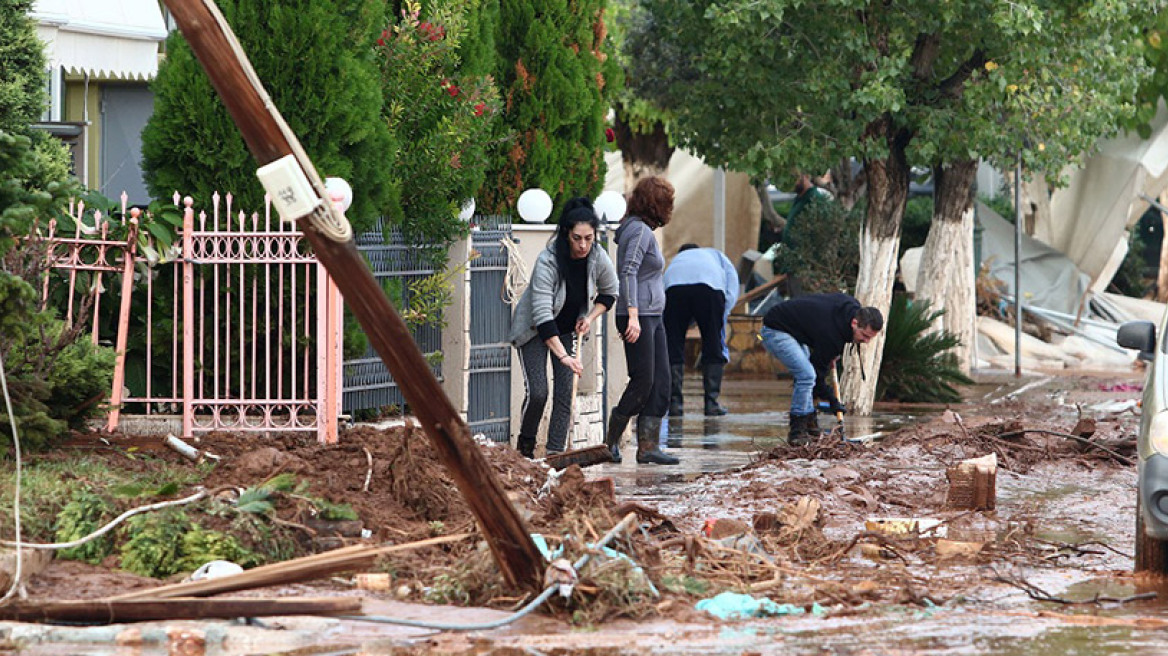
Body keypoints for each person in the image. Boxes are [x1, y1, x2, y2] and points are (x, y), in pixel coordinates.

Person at [508, 198, 618, 458]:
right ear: (567, 234)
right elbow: (543, 317)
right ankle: (525, 449)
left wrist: (589, 318)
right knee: (538, 393)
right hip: (536, 330)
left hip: (570, 330)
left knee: (565, 393)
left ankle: (556, 454)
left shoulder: (598, 256)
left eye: (588, 238)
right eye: (577, 238)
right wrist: (563, 356)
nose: (583, 245)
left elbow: (610, 293)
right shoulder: (548, 261)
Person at [606, 176, 680, 465]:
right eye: (667, 202)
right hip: (637, 316)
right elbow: (627, 272)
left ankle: (648, 446)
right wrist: (633, 315)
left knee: (661, 382)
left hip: (653, 316)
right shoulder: (638, 231)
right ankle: (609, 442)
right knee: (642, 382)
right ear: (655, 204)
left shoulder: (643, 230)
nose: (670, 208)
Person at [759, 293, 883, 445]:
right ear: (854, 323)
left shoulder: (851, 308)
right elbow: (818, 377)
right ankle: (797, 431)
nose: (866, 341)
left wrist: (829, 353)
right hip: (776, 329)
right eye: (864, 336)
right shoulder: (831, 335)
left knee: (807, 375)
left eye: (870, 338)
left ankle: (810, 425)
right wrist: (832, 400)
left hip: (796, 330)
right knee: (806, 375)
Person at [662, 244, 740, 416]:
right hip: (709, 288)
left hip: (675, 290)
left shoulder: (676, 261)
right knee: (713, 343)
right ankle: (711, 404)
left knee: (673, 345)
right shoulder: (715, 255)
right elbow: (732, 283)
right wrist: (722, 312)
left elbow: (663, 289)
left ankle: (675, 405)